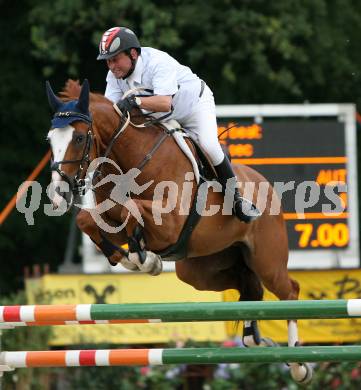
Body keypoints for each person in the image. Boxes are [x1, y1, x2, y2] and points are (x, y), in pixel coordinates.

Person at [97, 26, 261, 223]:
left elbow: (166, 103)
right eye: (108, 61)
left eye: (115, 59)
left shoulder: (157, 62)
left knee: (209, 145)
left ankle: (236, 200)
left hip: (194, 107)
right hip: (157, 117)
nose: (112, 66)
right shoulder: (114, 77)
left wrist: (135, 102)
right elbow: (110, 113)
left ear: (133, 54)